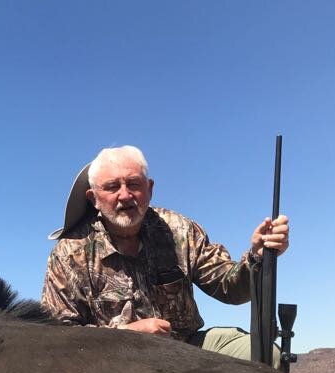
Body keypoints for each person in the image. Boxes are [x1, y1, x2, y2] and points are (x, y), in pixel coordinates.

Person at [41, 145, 289, 361]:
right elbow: (57, 338)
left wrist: (258, 257)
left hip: (184, 351)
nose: (125, 195)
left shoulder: (179, 230)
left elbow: (231, 289)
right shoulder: (69, 253)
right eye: (112, 187)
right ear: (93, 198)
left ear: (149, 189)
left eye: (134, 184)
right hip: (110, 366)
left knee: (266, 354)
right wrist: (127, 334)